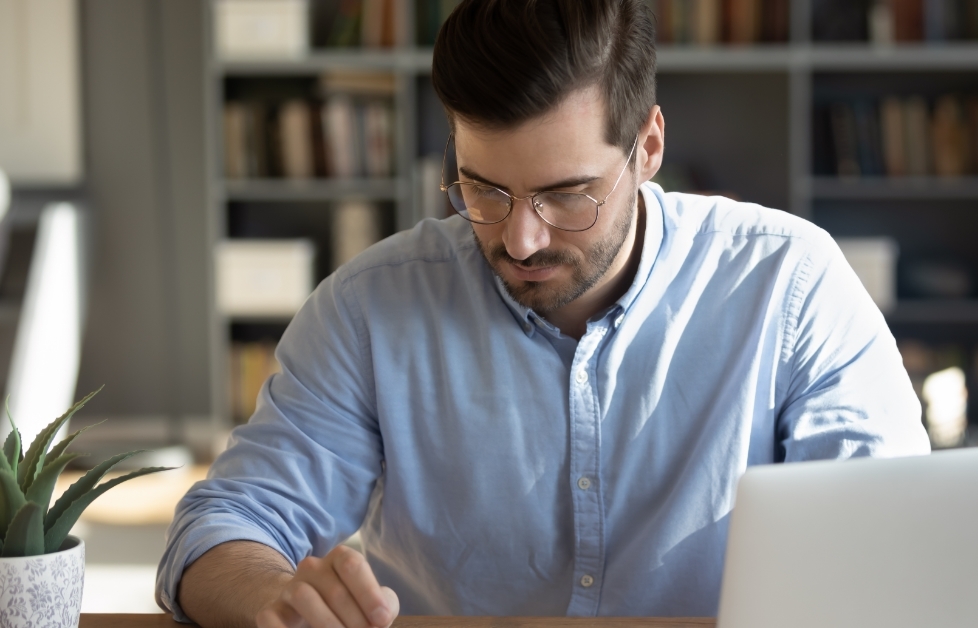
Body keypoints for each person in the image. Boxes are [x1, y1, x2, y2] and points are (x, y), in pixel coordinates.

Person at [157, 0, 931, 625]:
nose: (519, 238)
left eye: (566, 194)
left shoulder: (789, 284)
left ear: (649, 145)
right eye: (484, 189)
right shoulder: (370, 308)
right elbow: (219, 528)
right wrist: (268, 595)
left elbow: (894, 545)